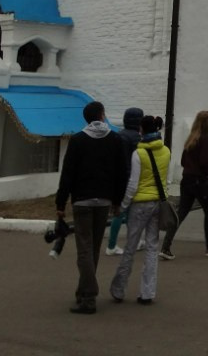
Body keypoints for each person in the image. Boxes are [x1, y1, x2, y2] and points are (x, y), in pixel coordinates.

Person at [56, 101, 128, 315]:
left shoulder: (78, 140)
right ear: (102, 115)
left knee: (84, 250)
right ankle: (84, 292)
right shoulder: (115, 139)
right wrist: (117, 201)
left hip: (82, 201)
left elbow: (67, 174)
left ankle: (88, 295)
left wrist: (60, 203)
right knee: (93, 248)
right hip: (104, 201)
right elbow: (122, 173)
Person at [110, 113, 171, 305]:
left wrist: (123, 204)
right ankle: (147, 292)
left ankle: (119, 289)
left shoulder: (139, 154)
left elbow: (133, 184)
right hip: (158, 203)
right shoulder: (166, 151)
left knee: (130, 247)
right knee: (152, 247)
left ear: (141, 130)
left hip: (140, 204)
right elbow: (165, 179)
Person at [159, 110, 208, 260]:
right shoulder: (205, 138)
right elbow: (204, 161)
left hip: (187, 180)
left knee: (181, 213)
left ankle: (166, 246)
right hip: (200, 181)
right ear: (207, 122)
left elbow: (183, 161)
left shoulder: (191, 138)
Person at [105, 106, 143, 256]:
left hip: (118, 179)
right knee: (127, 213)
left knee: (122, 212)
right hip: (131, 178)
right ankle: (113, 245)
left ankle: (119, 243)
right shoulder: (137, 138)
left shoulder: (118, 135)